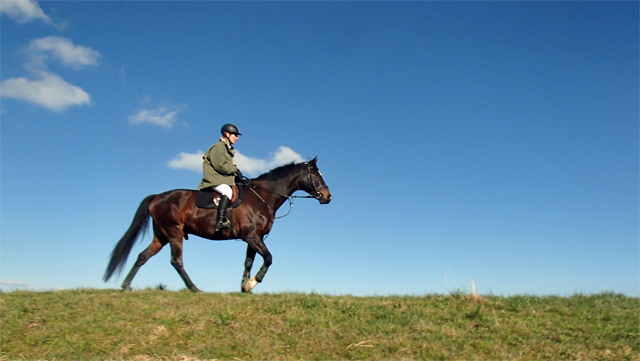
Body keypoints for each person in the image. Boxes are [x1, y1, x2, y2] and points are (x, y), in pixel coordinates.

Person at [198, 123, 243, 232]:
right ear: (227, 134)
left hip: (223, 178)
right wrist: (235, 170)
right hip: (214, 179)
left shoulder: (228, 149)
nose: (237, 138)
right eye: (235, 135)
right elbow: (221, 166)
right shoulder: (219, 147)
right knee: (227, 191)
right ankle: (220, 221)